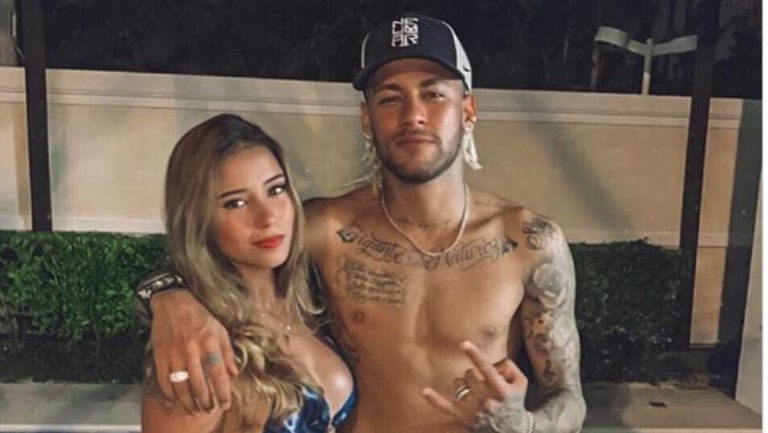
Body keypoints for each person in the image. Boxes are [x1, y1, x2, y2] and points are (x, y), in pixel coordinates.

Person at [136, 13, 586, 433]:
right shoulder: (325, 229)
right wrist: (169, 300)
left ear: (468, 110)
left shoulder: (529, 243)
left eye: (433, 94)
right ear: (367, 119)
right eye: (390, 98)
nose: (413, 115)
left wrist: (526, 425)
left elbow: (570, 397)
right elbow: (211, 252)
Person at [140, 113, 356, 433]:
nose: (267, 217)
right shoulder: (197, 348)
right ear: (198, 219)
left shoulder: (312, 302)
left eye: (275, 189)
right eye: (236, 203)